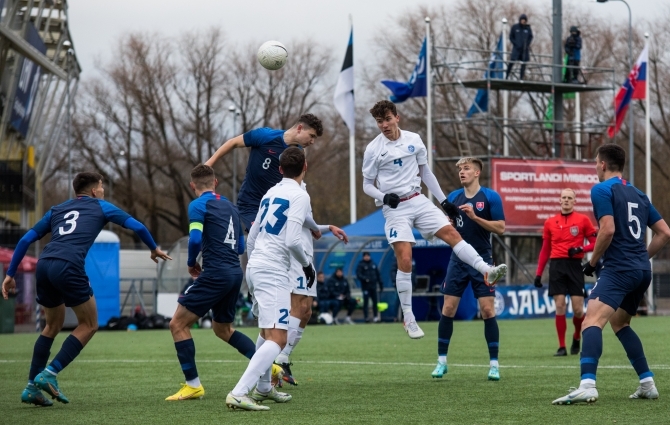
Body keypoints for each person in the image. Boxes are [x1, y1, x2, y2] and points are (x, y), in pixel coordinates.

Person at [1, 172, 171, 406]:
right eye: (101, 187)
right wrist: (153, 248)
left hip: (45, 264)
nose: (102, 191)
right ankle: (50, 374)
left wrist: (10, 275)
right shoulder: (101, 206)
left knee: (51, 326)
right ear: (93, 191)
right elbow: (137, 226)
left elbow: (24, 241)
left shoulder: (57, 209)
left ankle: (31, 387)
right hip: (68, 266)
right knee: (90, 324)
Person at [362, 100, 507, 339]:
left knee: (452, 235)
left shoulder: (414, 140)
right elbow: (367, 185)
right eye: (379, 121)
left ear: (397, 117)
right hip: (395, 208)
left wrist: (444, 202)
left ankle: (486, 270)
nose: (384, 125)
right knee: (405, 258)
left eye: (387, 119)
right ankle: (408, 317)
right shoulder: (373, 150)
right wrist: (384, 197)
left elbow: (425, 172)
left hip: (417, 199)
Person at [553, 144, 670, 405]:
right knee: (620, 323)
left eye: (596, 162)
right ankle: (647, 382)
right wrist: (641, 258)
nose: (595, 166)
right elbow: (665, 233)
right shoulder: (639, 193)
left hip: (619, 269)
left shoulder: (601, 189)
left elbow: (607, 230)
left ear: (603, 164)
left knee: (590, 321)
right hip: (641, 270)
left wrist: (592, 263)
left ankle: (587, 384)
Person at [226, 147, 316, 411]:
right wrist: (306, 264)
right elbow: (292, 239)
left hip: (256, 265)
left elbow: (252, 237)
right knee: (279, 338)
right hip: (273, 269)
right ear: (305, 167)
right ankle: (239, 392)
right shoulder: (300, 195)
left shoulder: (270, 193)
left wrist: (255, 264)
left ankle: (264, 388)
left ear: (279, 169)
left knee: (267, 332)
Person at [165, 164, 258, 401]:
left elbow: (195, 238)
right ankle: (270, 366)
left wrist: (190, 262)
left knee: (177, 324)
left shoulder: (197, 205)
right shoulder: (231, 207)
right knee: (223, 329)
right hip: (234, 273)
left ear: (192, 185)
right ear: (215, 182)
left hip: (215, 273)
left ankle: (193, 385)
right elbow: (239, 246)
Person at [432, 157, 506, 381]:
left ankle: (494, 364)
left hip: (482, 258)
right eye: (459, 169)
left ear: (477, 173)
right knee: (448, 308)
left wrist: (475, 217)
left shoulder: (490, 197)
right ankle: (441, 361)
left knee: (487, 310)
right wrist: (449, 223)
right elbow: (447, 226)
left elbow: (501, 228)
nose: (461, 172)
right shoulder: (453, 197)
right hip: (458, 259)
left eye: (466, 169)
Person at [273, 184, 348, 386]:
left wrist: (325, 227)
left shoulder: (300, 187)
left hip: (305, 256)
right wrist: (317, 227)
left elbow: (303, 220)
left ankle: (281, 359)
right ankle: (277, 361)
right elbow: (294, 218)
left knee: (305, 312)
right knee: (297, 308)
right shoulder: (291, 189)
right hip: (296, 257)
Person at [205, 114, 323, 232]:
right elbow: (232, 143)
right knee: (261, 237)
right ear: (299, 128)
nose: (312, 141)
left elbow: (296, 185)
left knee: (275, 243)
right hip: (251, 204)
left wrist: (312, 225)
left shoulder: (299, 153)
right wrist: (208, 164)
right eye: (311, 136)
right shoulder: (265, 136)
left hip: (275, 206)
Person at [535, 188, 597, 357]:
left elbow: (595, 243)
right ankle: (561, 347)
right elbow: (545, 249)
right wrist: (538, 273)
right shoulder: (550, 222)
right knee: (560, 305)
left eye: (570, 198)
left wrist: (580, 248)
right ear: (560, 200)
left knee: (578, 309)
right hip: (556, 266)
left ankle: (577, 336)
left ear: (574, 201)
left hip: (575, 265)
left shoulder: (583, 220)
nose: (567, 200)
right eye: (564, 197)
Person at [356, 252, 383, 322]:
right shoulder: (361, 265)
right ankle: (366, 317)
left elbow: (378, 275)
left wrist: (380, 284)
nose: (367, 257)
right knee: (366, 303)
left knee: (375, 303)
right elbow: (358, 275)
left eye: (368, 256)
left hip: (373, 287)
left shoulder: (373, 264)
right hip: (366, 287)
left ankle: (375, 317)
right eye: (365, 256)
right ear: (363, 257)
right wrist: (365, 279)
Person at [506, 14, 533, 80]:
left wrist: (527, 44)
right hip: (516, 49)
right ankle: (506, 76)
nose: (523, 21)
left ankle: (521, 78)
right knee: (512, 62)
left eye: (524, 20)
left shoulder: (528, 28)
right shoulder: (515, 27)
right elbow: (511, 37)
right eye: (522, 20)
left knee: (523, 63)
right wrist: (515, 43)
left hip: (524, 49)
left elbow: (531, 37)